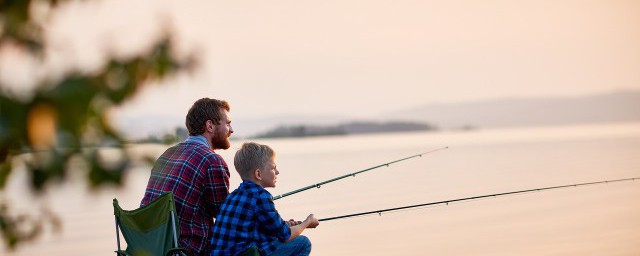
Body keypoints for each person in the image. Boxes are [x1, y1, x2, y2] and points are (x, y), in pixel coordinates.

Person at [141, 98, 234, 255]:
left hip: (153, 247)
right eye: (227, 123)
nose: (231, 129)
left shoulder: (167, 154)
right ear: (210, 126)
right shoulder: (212, 161)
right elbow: (226, 219)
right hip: (187, 251)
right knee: (288, 244)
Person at [211, 142, 319, 256]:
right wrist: (307, 223)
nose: (277, 172)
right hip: (244, 253)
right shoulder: (261, 196)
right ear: (258, 174)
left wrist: (286, 224)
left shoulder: (233, 195)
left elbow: (259, 227)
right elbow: (286, 236)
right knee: (303, 243)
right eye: (273, 168)